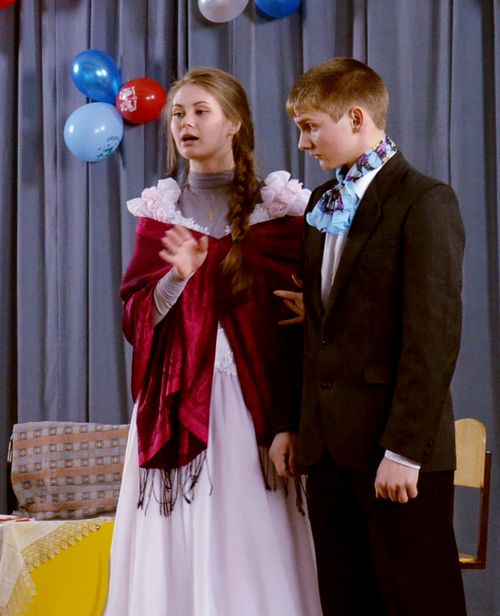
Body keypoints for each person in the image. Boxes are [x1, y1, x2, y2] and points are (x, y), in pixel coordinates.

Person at [104, 66, 322, 616]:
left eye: (202, 111)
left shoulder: (281, 217)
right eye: (179, 113)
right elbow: (136, 321)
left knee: (251, 543)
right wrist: (177, 279)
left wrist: (292, 420)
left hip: (254, 411)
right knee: (177, 546)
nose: (186, 123)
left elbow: (298, 334)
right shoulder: (159, 216)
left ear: (234, 123)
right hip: (175, 405)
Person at [271, 57, 467, 615]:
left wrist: (404, 451)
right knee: (345, 602)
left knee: (417, 603)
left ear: (356, 118)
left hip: (394, 449)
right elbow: (317, 329)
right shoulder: (320, 203)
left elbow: (433, 337)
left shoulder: (424, 200)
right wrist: (291, 423)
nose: (303, 143)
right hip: (328, 452)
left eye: (311, 127)